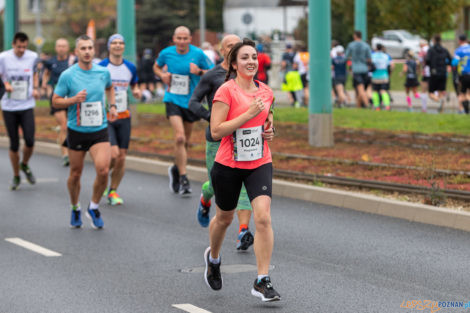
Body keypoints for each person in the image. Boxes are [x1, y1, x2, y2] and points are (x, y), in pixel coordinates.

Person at [203, 38, 280, 302]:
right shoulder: (226, 91)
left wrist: (270, 131)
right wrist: (246, 115)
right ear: (234, 64)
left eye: (254, 57)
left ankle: (262, 280)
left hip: (258, 161)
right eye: (244, 58)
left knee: (263, 218)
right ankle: (213, 258)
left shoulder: (266, 92)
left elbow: (268, 120)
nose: (251, 62)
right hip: (228, 164)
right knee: (224, 219)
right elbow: (215, 131)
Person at [189, 34, 257, 251]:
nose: (234, 49)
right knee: (219, 187)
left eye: (237, 46)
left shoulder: (247, 75)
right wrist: (213, 119)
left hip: (243, 140)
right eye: (230, 46)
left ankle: (243, 230)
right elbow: (193, 102)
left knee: (245, 185)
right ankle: (205, 197)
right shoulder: (212, 75)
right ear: (221, 50)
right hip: (217, 140)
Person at [52, 35, 117, 229]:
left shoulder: (103, 72)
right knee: (75, 174)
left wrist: (112, 106)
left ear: (93, 51)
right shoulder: (68, 75)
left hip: (99, 129)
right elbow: (55, 100)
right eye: (83, 48)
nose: (87, 51)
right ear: (76, 52)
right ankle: (75, 207)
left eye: (90, 48)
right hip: (77, 130)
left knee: (103, 170)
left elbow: (110, 88)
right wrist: (72, 100)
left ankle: (94, 206)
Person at [153, 26, 214, 196]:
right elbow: (156, 67)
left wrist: (200, 71)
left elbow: (214, 71)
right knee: (179, 137)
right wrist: (162, 75)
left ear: (189, 39)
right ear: (174, 39)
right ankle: (183, 177)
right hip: (172, 99)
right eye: (178, 38)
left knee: (185, 142)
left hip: (191, 102)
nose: (181, 42)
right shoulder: (166, 53)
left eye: (185, 38)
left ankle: (175, 168)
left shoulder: (198, 54)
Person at [99, 34, 141, 205]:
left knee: (122, 157)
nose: (117, 46)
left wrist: (137, 91)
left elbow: (134, 85)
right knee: (114, 154)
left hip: (124, 115)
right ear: (109, 47)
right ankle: (102, 176)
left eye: (120, 43)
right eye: (114, 43)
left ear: (123, 47)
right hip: (106, 116)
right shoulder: (101, 67)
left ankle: (112, 191)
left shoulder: (130, 67)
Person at [0, 32, 40, 190]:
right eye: (19, 47)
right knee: (14, 144)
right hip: (9, 106)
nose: (22, 50)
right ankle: (16, 175)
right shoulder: (3, 57)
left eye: (24, 46)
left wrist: (35, 88)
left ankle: (24, 164)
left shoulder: (32, 56)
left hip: (27, 104)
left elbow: (35, 74)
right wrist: (5, 85)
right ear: (13, 44)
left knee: (30, 141)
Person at [42, 38, 74, 166]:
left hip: (71, 97)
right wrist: (45, 85)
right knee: (64, 125)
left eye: (63, 46)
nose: (61, 48)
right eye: (59, 46)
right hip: (57, 98)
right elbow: (46, 74)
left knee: (71, 126)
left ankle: (70, 146)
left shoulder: (73, 61)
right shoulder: (51, 62)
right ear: (56, 48)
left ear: (67, 48)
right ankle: (65, 155)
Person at [345, 30, 372, 108]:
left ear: (355, 36)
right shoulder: (366, 45)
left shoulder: (351, 45)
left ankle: (367, 105)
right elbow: (369, 59)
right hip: (365, 69)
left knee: (360, 89)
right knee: (361, 89)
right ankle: (358, 106)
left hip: (356, 69)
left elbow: (346, 57)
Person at [426, 35, 451, 113]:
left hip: (434, 73)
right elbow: (450, 59)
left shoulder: (431, 50)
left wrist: (431, 66)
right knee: (441, 91)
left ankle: (439, 101)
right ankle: (441, 111)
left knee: (430, 93)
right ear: (440, 41)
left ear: (434, 40)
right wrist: (446, 65)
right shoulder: (444, 50)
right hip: (443, 72)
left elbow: (427, 60)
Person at [452, 34, 470, 114]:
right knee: (468, 93)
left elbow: (454, 63)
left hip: (464, 74)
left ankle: (464, 110)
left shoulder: (459, 51)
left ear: (460, 41)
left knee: (462, 93)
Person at [371, 44, 392, 111]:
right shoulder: (386, 56)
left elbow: (370, 65)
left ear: (376, 48)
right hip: (384, 75)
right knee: (384, 91)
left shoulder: (373, 56)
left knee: (375, 91)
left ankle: (377, 106)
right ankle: (387, 106)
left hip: (375, 75)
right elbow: (390, 66)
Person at [280, 43, 302, 107]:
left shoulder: (285, 55)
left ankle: (293, 101)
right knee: (295, 88)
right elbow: (296, 65)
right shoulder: (295, 54)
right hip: (295, 73)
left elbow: (283, 64)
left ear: (286, 48)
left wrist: (281, 69)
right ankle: (297, 101)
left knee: (288, 89)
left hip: (288, 73)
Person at [418, 40, 430, 112]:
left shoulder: (422, 50)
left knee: (423, 90)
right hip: (434, 72)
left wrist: (419, 69)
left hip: (426, 72)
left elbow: (420, 60)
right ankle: (440, 97)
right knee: (433, 88)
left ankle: (424, 108)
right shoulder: (431, 49)